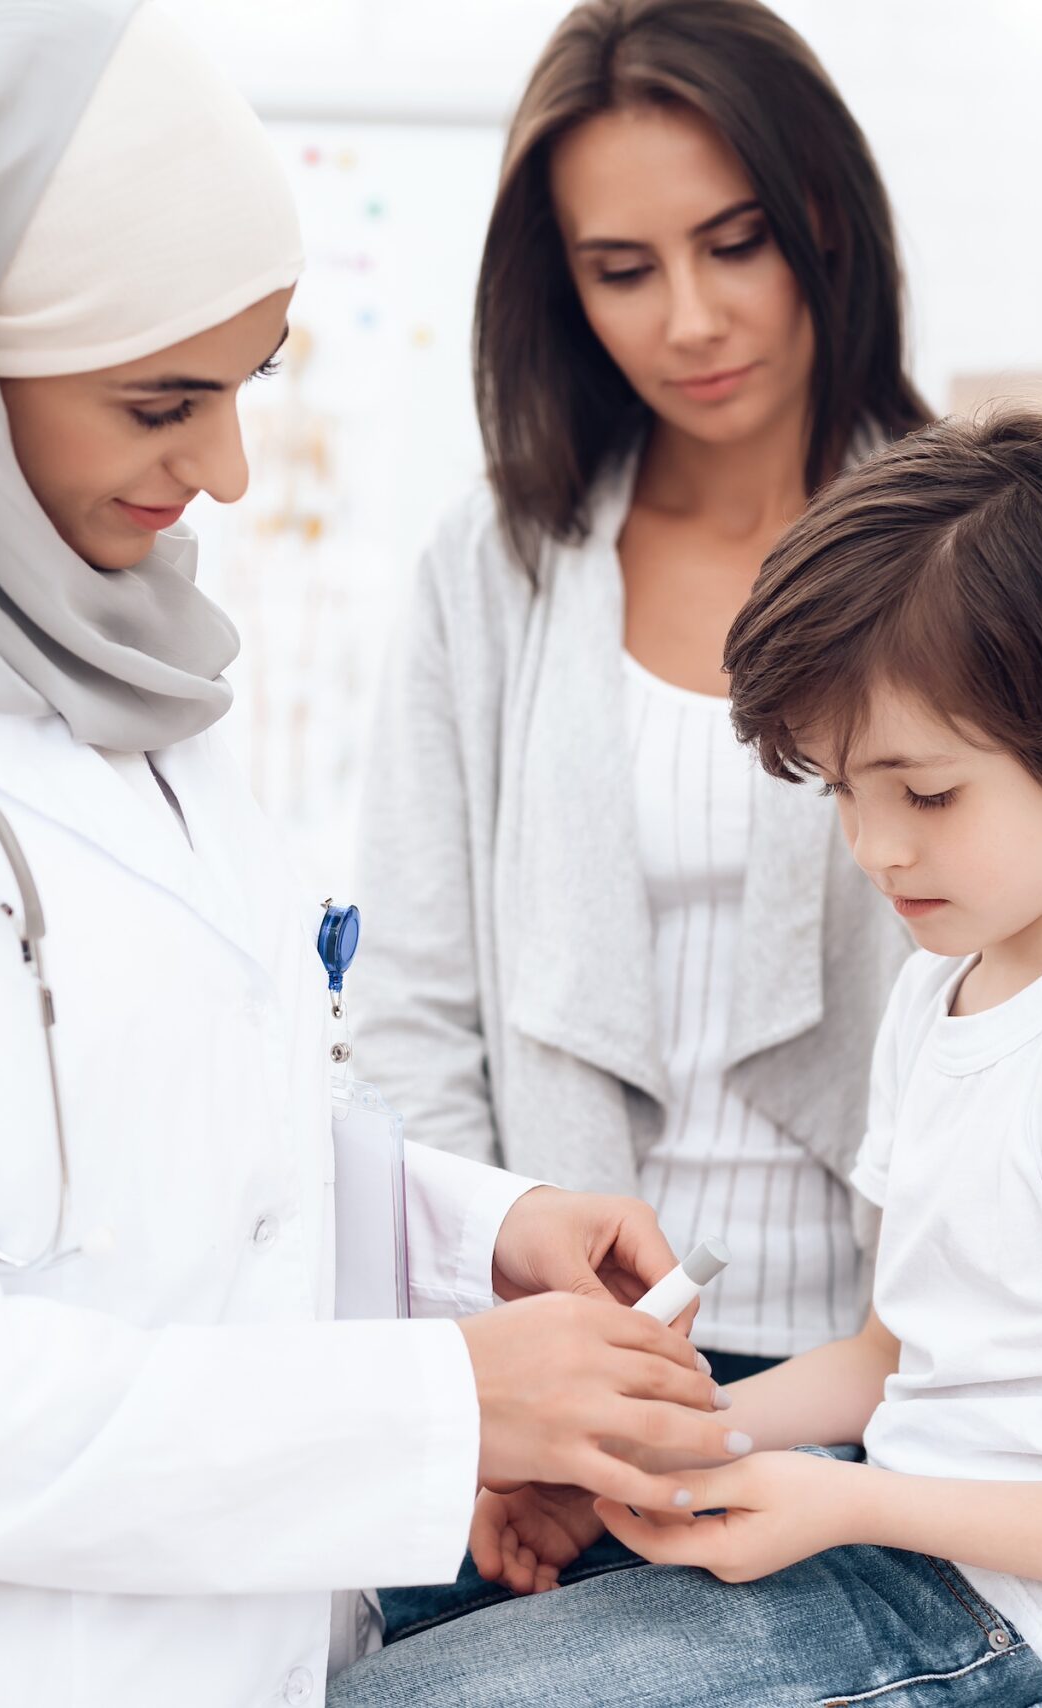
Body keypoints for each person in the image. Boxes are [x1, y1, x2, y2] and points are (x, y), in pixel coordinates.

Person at [0, 4, 736, 1702]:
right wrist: (449, 1401)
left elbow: (187, 1152)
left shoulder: (108, 665)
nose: (224, 471)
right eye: (162, 400)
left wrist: (479, 1233)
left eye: (248, 385)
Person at [332, 410, 1042, 1708]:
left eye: (925, 796)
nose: (875, 849)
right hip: (919, 1555)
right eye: (841, 792)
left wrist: (848, 1506)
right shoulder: (955, 987)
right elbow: (895, 1358)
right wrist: (646, 1455)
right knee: (380, 1652)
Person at [350, 0, 926, 1629]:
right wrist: (491, 1378)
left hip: (871, 1381)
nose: (691, 318)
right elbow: (413, 1011)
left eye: (735, 242)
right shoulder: (499, 566)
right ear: (561, 288)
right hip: (554, 1386)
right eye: (622, 268)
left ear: (828, 214)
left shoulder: (968, 546)